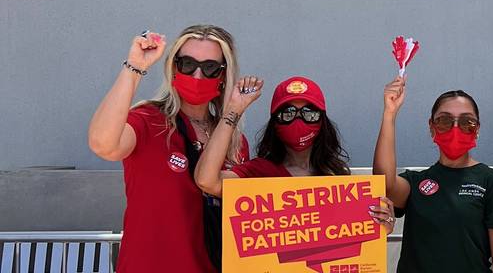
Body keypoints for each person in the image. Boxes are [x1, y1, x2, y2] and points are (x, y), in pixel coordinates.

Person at [86, 25, 249, 273]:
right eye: (186, 64)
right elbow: (103, 145)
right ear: (174, 67)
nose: (196, 75)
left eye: (209, 68)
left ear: (223, 76)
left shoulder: (234, 141)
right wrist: (134, 67)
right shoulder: (147, 121)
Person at [193, 76, 396, 233]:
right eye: (288, 113)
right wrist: (233, 110)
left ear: (322, 121)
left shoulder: (337, 178)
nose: (299, 120)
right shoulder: (258, 172)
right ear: (275, 122)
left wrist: (382, 225)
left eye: (309, 113)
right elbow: (206, 180)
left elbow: (355, 237)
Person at [372, 77, 493, 273]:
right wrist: (389, 114)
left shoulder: (492, 182)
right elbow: (384, 183)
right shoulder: (415, 183)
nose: (456, 128)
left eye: (467, 122)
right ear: (432, 127)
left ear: (477, 129)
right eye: (445, 120)